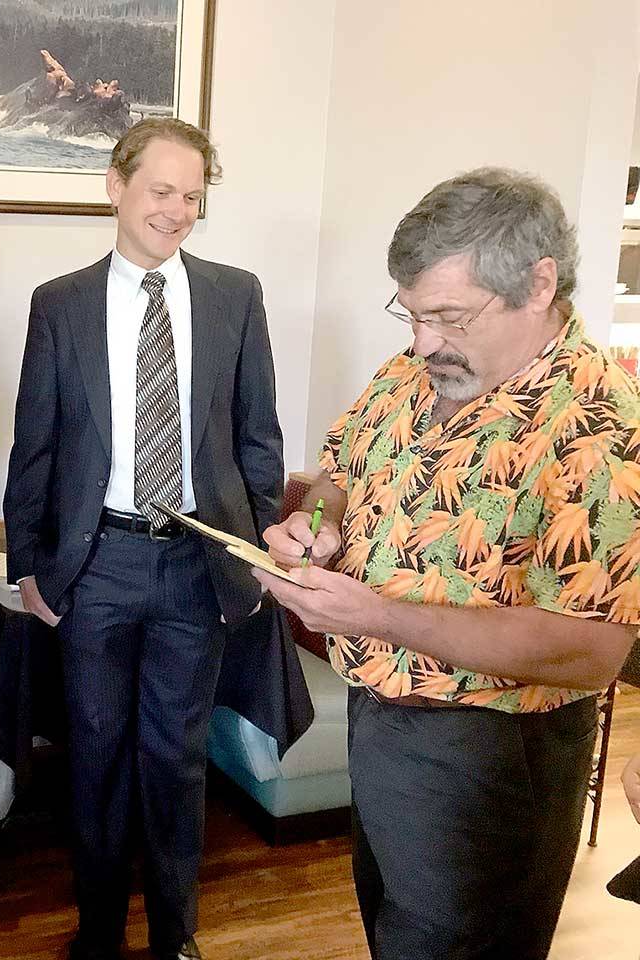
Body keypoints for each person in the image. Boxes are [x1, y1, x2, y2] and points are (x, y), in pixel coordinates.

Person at [257, 167, 640, 959]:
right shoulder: (409, 373)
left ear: (538, 285)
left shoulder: (601, 428)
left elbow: (591, 650)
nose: (424, 340)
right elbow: (335, 476)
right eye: (413, 313)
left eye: (449, 317)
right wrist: (315, 526)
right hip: (380, 714)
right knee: (393, 931)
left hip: (492, 753)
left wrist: (377, 615)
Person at [4, 117, 283, 960]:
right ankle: (97, 930)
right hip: (98, 566)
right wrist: (27, 565)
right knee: (93, 754)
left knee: (177, 758)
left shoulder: (236, 294)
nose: (178, 210)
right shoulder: (60, 303)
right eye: (163, 190)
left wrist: (261, 546)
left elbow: (258, 437)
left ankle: (174, 935)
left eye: (194, 196)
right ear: (115, 186)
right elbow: (36, 444)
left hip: (199, 563)